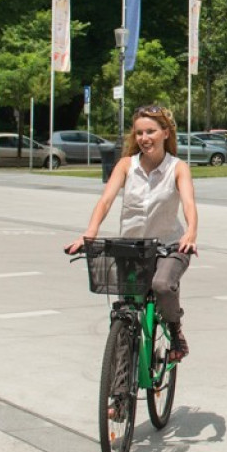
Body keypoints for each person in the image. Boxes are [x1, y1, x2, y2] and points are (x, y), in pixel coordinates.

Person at [67, 105, 198, 357]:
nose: (144, 138)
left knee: (161, 285)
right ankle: (120, 386)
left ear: (165, 133)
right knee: (125, 311)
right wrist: (90, 232)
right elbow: (105, 200)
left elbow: (189, 203)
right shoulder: (126, 165)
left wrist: (191, 232)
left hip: (169, 246)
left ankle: (175, 330)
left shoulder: (178, 167)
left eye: (150, 131)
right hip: (132, 249)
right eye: (139, 133)